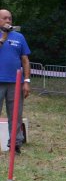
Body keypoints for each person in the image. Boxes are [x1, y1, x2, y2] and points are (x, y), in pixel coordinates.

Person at [0, 9, 31, 154]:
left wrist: (26, 81)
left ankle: (15, 144)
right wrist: (3, 38)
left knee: (15, 115)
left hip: (15, 82)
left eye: (10, 19)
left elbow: (25, 60)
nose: (8, 21)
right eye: (4, 18)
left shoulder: (19, 37)